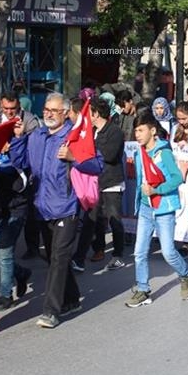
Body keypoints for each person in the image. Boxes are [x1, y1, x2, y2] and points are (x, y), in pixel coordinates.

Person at [9, 92, 104, 328]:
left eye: (54, 110)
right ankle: (72, 299)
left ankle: (51, 310)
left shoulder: (76, 135)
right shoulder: (37, 135)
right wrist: (19, 139)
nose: (49, 114)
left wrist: (75, 158)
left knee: (59, 259)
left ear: (65, 113)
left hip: (67, 206)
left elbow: (98, 164)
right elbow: (20, 163)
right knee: (54, 258)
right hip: (42, 207)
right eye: (46, 110)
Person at [126, 112, 188, 307]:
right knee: (139, 252)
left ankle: (186, 273)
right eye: (135, 131)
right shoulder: (139, 153)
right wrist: (140, 202)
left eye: (141, 130)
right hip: (146, 209)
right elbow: (141, 180)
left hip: (164, 208)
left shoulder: (163, 152)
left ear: (153, 130)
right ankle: (142, 289)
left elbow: (176, 178)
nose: (137, 135)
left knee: (168, 252)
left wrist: (156, 189)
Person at [0, 93, 36, 309]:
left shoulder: (30, 122)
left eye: (13, 108)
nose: (9, 112)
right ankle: (21, 273)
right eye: (6, 108)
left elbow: (30, 155)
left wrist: (17, 140)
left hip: (18, 196)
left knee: (5, 250)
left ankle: (6, 294)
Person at [73, 100, 126, 271]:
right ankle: (87, 254)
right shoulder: (91, 131)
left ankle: (118, 254)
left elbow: (110, 155)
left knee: (113, 219)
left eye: (89, 113)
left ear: (95, 114)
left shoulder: (114, 131)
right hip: (94, 182)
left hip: (111, 182)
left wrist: (91, 151)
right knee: (91, 220)